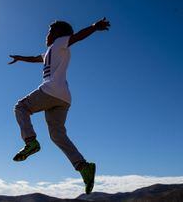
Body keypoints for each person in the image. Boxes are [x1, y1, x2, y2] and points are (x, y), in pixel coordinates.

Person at [8, 18, 110, 194]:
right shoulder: (50, 51)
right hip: (63, 98)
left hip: (51, 90)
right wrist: (20, 58)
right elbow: (35, 58)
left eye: (49, 31)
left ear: (56, 34)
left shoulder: (60, 42)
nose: (46, 35)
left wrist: (94, 27)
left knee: (21, 107)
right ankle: (83, 166)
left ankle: (30, 142)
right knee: (57, 135)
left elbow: (76, 37)